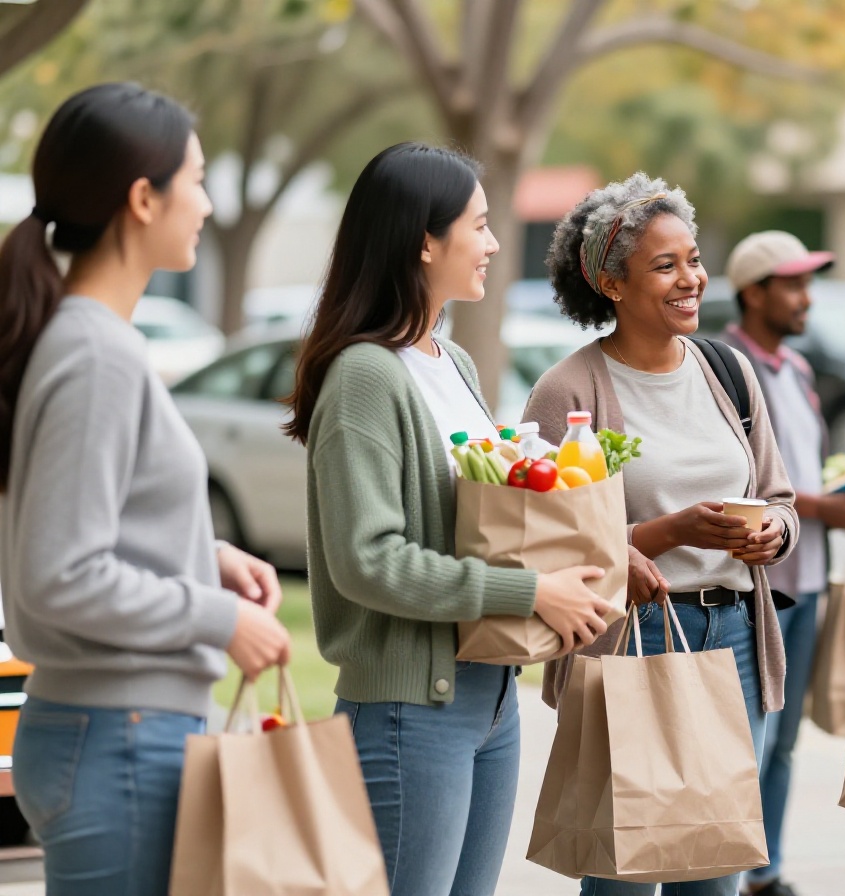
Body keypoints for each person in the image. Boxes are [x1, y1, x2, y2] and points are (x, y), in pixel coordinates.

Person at [284, 143, 612, 896]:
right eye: (480, 225)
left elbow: (476, 521)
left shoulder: (451, 362)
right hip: (409, 709)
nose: (494, 243)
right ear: (424, 241)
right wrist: (530, 593)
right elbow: (368, 560)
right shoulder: (365, 376)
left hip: (490, 700)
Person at [0, 83, 291, 896]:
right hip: (121, 737)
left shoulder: (84, 342)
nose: (203, 203)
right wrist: (218, 614)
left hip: (115, 731)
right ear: (141, 197)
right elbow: (60, 574)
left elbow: (84, 533)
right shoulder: (94, 355)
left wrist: (206, 557)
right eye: (195, 179)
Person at [526, 172, 799, 896]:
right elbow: (544, 542)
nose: (692, 279)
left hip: (734, 638)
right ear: (613, 285)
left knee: (715, 874)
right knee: (624, 873)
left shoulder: (727, 371)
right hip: (631, 640)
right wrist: (664, 533)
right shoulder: (568, 391)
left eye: (695, 258)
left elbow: (778, 497)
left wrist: (773, 531)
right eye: (666, 265)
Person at [719, 231, 845, 896]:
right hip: (761, 586)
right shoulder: (724, 366)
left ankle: (764, 871)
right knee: (748, 741)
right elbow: (745, 485)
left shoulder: (799, 370)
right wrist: (823, 507)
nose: (805, 298)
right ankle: (730, 864)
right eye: (792, 285)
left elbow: (799, 471)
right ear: (755, 293)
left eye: (808, 284)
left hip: (808, 580)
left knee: (783, 744)